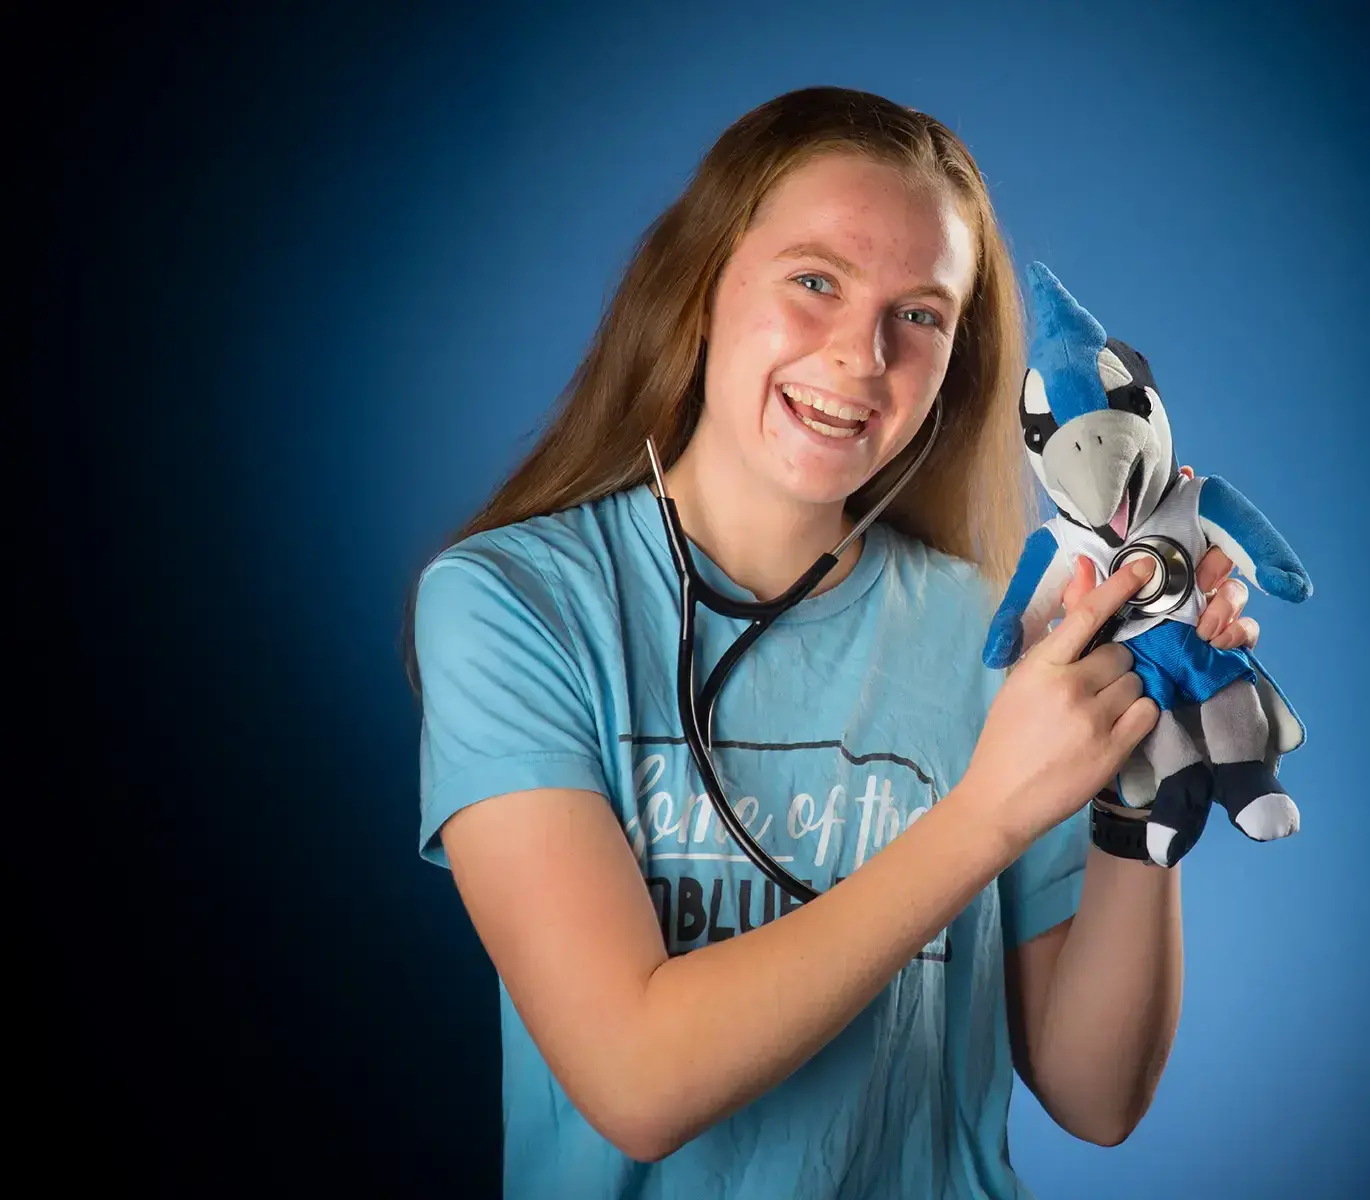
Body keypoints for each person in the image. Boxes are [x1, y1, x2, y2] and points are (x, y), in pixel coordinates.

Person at [405, 85, 1264, 1199]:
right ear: (700, 288)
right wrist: (985, 814)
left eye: (921, 315)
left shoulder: (999, 636)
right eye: (815, 281)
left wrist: (1143, 777)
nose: (862, 354)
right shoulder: (512, 603)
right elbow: (635, 1081)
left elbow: (1096, 1097)